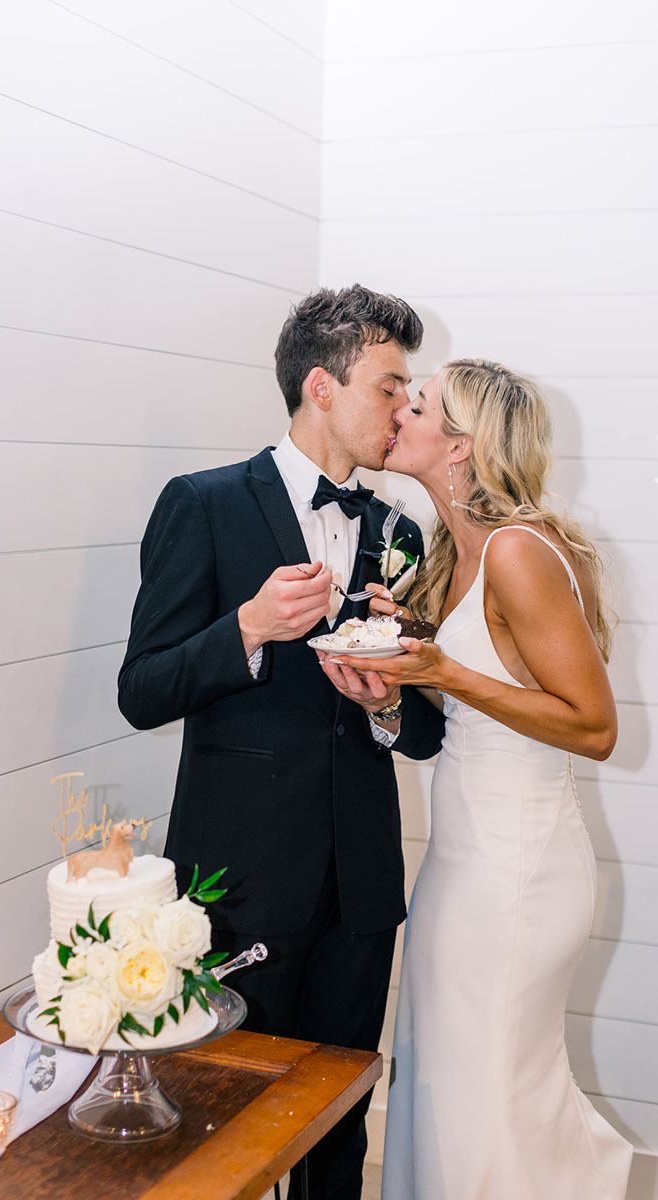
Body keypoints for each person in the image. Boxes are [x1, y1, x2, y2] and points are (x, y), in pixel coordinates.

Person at [118, 285, 445, 1199]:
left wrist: (387, 701)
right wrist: (250, 629)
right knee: (222, 1118)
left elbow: (421, 731)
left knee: (337, 1122)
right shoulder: (204, 504)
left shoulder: (397, 531)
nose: (402, 409)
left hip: (363, 883)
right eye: (390, 386)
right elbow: (141, 690)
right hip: (243, 882)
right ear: (321, 387)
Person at [319, 359, 633, 1199]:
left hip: (518, 872)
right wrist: (390, 688)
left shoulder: (520, 552)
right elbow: (444, 720)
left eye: (413, 405)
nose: (396, 414)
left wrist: (444, 673)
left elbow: (596, 728)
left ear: (459, 446)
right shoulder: (447, 551)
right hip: (463, 863)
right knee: (446, 1089)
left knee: (488, 1099)